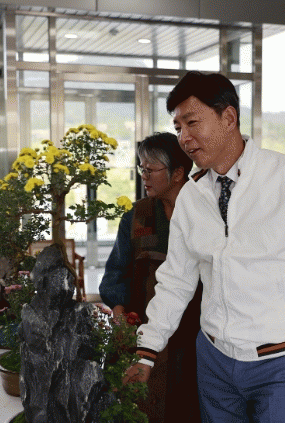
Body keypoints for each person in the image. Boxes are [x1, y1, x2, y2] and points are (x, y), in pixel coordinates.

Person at [123, 71, 285, 423]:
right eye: (178, 128)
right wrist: (147, 350)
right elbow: (176, 281)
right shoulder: (192, 196)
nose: (184, 138)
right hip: (214, 360)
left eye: (192, 123)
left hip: (283, 362)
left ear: (228, 118)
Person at [99, 132, 201, 423]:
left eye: (150, 169)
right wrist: (120, 315)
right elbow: (115, 273)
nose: (143, 176)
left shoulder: (203, 213)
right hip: (141, 329)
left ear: (178, 173)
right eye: (141, 168)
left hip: (192, 337)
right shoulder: (136, 216)